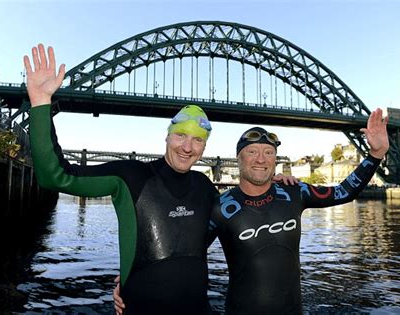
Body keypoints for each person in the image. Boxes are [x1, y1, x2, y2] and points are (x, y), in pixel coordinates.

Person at [24, 44, 297, 315]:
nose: (187, 147)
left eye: (197, 140)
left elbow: (247, 208)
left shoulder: (204, 187)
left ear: (204, 148)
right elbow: (56, 177)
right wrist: (40, 103)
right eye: (180, 135)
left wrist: (272, 182)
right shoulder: (131, 177)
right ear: (167, 136)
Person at [209, 111, 389, 314]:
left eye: (268, 153)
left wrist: (376, 154)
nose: (261, 159)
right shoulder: (219, 207)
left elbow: (343, 192)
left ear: (275, 160)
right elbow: (186, 254)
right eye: (252, 152)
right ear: (238, 159)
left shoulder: (294, 192)